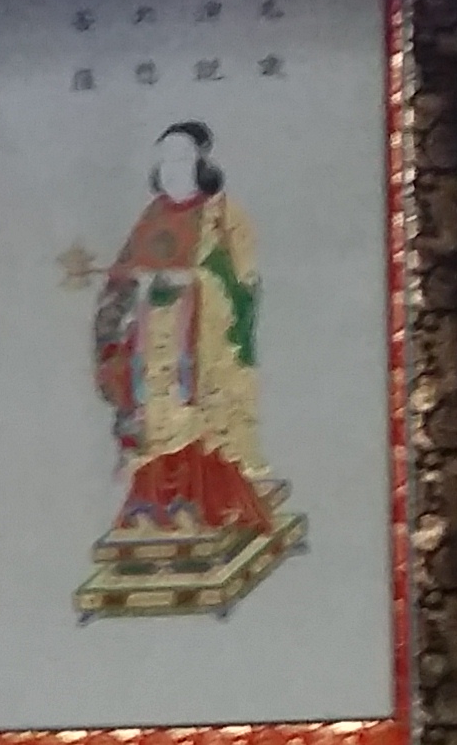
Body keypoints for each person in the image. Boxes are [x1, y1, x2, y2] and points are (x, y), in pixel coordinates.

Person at [76, 121, 300, 612]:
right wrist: (130, 288)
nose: (171, 169)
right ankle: (153, 506)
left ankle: (201, 502)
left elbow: (243, 282)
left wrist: (194, 281)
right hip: (150, 342)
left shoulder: (222, 217)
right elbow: (123, 277)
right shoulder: (153, 215)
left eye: (180, 159)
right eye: (164, 160)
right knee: (151, 421)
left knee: (191, 417)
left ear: (201, 164)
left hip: (201, 343)